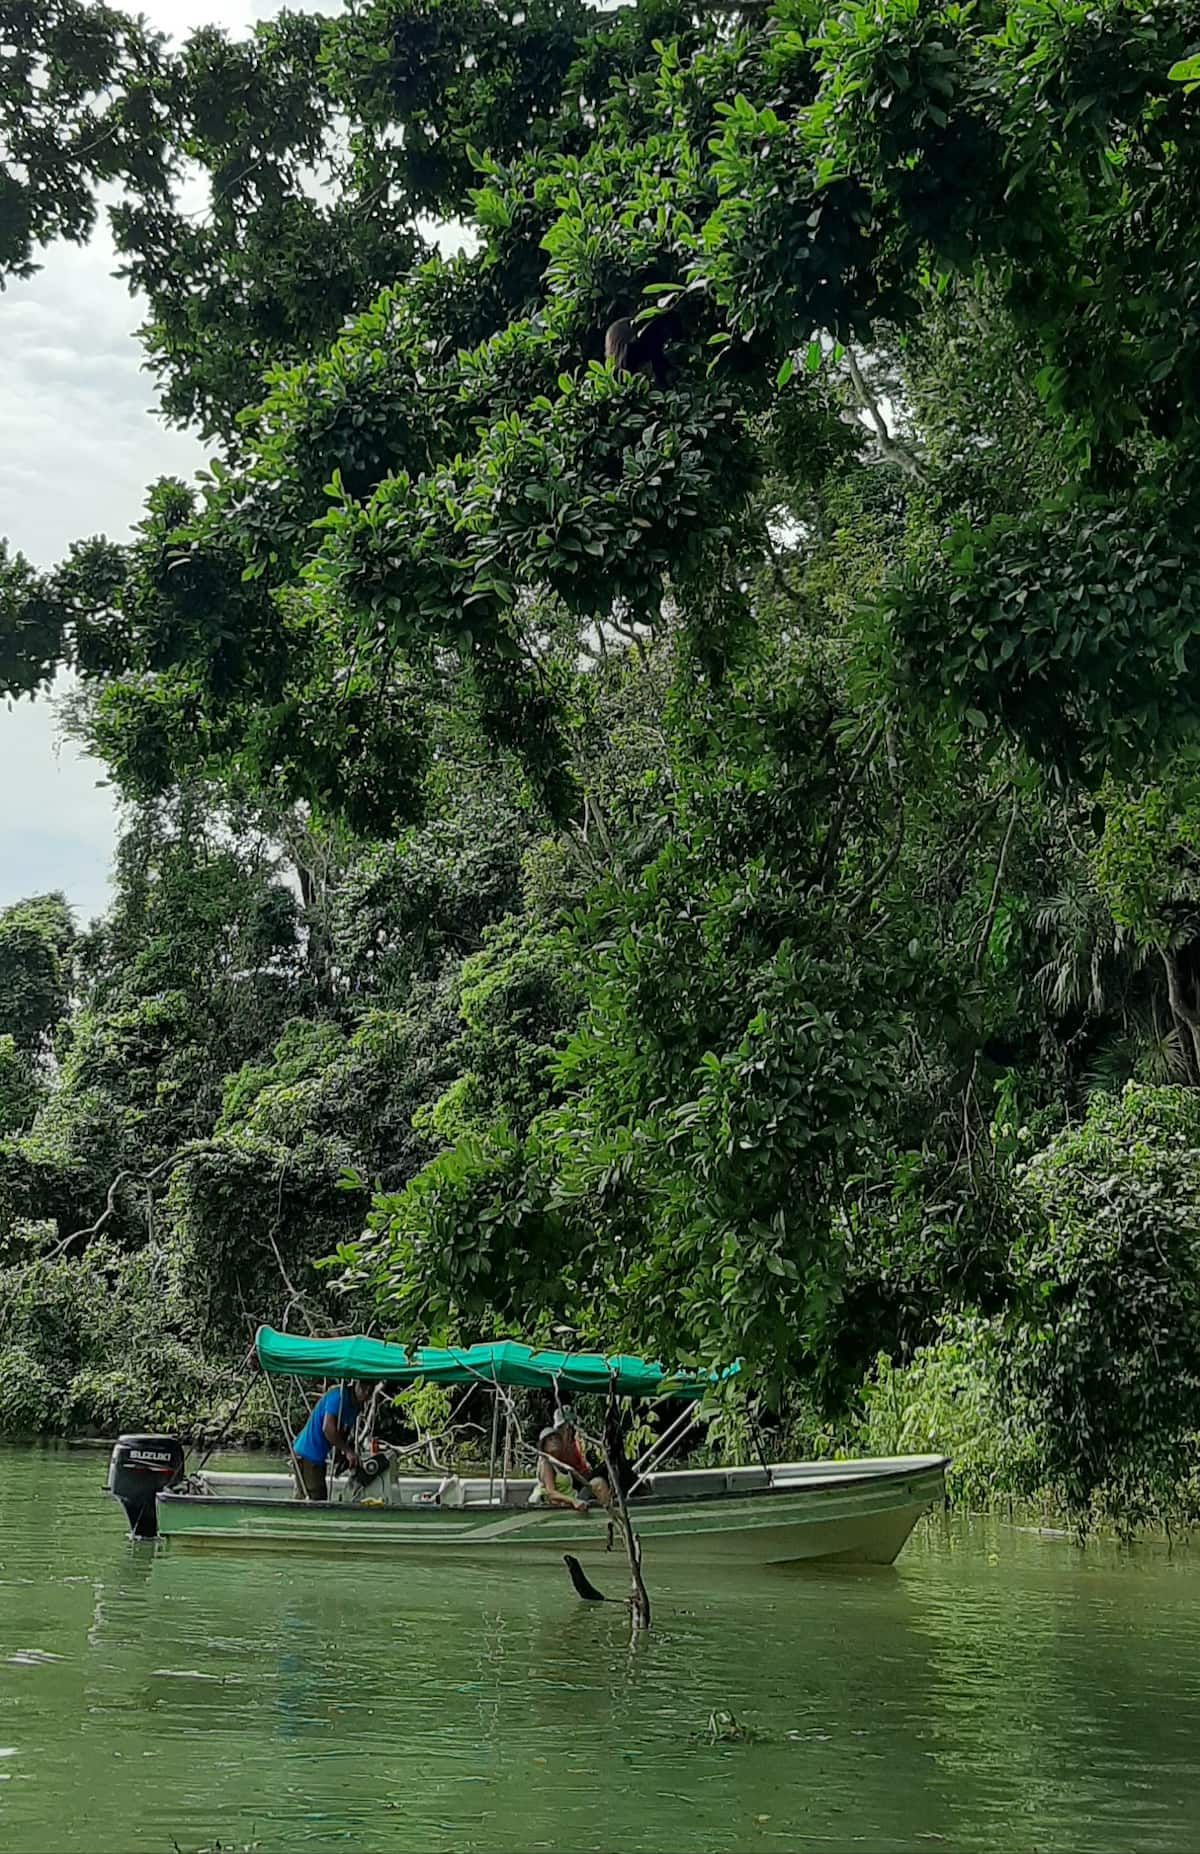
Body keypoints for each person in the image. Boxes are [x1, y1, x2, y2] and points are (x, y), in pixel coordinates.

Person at [291, 1379, 372, 1501]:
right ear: (355, 1383)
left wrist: (343, 1456)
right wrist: (348, 1451)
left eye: (370, 1390)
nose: (366, 1392)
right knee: (316, 1498)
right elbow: (327, 1429)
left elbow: (342, 1433)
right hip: (308, 1453)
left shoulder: (356, 1406)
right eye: (363, 1387)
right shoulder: (338, 1396)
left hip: (319, 1456)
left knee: (309, 1496)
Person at [534, 1407, 611, 1513]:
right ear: (544, 1446)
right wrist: (573, 1501)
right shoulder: (546, 1462)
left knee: (600, 1481)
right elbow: (550, 1492)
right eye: (550, 1440)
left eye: (556, 1439)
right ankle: (607, 1514)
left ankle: (608, 1511)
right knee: (598, 1482)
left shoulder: (559, 1459)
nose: (555, 1441)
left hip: (574, 1495)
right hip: (569, 1502)